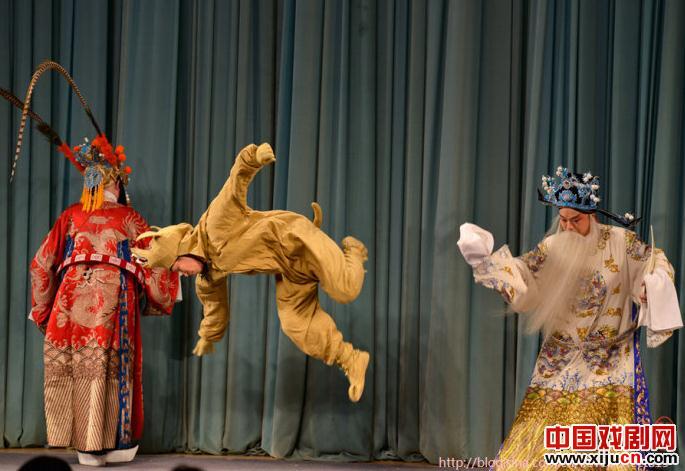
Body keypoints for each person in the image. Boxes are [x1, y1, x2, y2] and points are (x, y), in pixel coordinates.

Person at [10, 61, 180, 466]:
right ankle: (114, 444)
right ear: (117, 183)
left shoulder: (70, 216)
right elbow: (157, 258)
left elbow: (41, 264)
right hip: (113, 302)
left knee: (79, 365)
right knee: (109, 365)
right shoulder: (131, 219)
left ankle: (85, 446)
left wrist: (43, 309)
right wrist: (164, 288)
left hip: (69, 305)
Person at [457, 167, 683, 469]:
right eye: (563, 220)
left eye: (575, 220)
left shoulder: (622, 242)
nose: (568, 227)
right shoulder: (553, 247)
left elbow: (656, 263)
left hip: (610, 356)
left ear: (592, 216)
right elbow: (523, 272)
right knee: (538, 435)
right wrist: (489, 262)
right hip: (560, 356)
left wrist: (649, 287)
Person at [132, 142, 370, 402]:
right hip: (289, 270)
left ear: (182, 250)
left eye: (177, 267)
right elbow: (215, 308)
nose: (182, 274)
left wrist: (254, 156)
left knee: (345, 288)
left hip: (296, 239)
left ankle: (354, 251)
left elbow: (236, 181)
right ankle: (352, 359)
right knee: (295, 322)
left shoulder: (214, 224)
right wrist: (208, 337)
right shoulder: (207, 277)